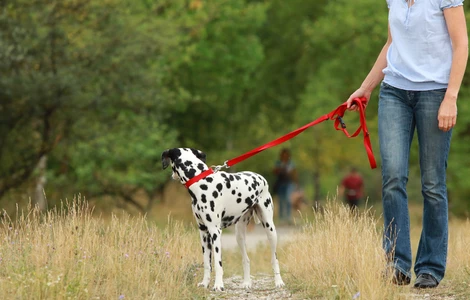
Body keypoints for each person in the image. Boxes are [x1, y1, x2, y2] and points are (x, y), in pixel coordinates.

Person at [346, 0, 468, 289]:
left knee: (432, 184)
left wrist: (450, 97)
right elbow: (392, 43)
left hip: (435, 92)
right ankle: (396, 264)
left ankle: (430, 267)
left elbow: (461, 44)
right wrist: (366, 88)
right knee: (392, 178)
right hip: (395, 93)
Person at [272, 148, 297, 224]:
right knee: (281, 200)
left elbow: (294, 174)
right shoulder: (279, 163)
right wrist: (281, 169)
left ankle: (288, 217)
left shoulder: (291, 164)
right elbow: (274, 171)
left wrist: (296, 184)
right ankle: (282, 218)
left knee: (288, 199)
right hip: (280, 183)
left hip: (289, 183)